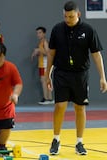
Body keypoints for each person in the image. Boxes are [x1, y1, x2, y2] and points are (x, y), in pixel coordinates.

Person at [46, 1, 107, 155]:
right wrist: (47, 75)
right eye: (66, 16)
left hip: (80, 75)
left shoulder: (88, 30)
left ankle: (79, 142)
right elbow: (51, 54)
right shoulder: (57, 29)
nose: (68, 19)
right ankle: (56, 139)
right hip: (61, 73)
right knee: (60, 106)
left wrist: (102, 77)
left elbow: (96, 54)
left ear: (78, 14)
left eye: (71, 16)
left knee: (80, 107)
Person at [31, 27, 53, 105]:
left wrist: (39, 50)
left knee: (44, 81)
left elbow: (48, 53)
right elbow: (43, 53)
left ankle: (46, 98)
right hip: (42, 64)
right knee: (45, 80)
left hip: (45, 64)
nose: (38, 34)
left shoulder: (45, 42)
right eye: (37, 33)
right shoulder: (41, 43)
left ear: (44, 33)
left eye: (40, 33)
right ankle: (49, 98)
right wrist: (37, 53)